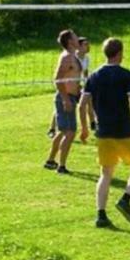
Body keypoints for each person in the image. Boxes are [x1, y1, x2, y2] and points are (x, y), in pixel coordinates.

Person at [79, 38, 130, 228]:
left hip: (104, 131)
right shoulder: (125, 75)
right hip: (124, 130)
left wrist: (83, 128)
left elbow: (82, 105)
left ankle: (101, 215)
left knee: (105, 173)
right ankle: (125, 199)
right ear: (120, 53)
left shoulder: (94, 76)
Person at [44, 29, 81, 174]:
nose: (78, 39)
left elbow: (72, 78)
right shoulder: (66, 58)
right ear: (70, 41)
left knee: (63, 131)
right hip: (64, 98)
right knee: (69, 133)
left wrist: (78, 92)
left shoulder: (73, 56)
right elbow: (58, 80)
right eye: (75, 37)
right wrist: (65, 99)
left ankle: (50, 161)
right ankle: (62, 166)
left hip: (71, 96)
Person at [47, 36, 92, 138]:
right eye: (85, 44)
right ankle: (52, 128)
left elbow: (84, 73)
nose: (88, 46)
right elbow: (59, 77)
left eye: (88, 44)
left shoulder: (86, 58)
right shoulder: (70, 57)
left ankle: (92, 125)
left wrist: (86, 84)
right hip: (67, 88)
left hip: (77, 87)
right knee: (62, 107)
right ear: (79, 47)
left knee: (87, 102)